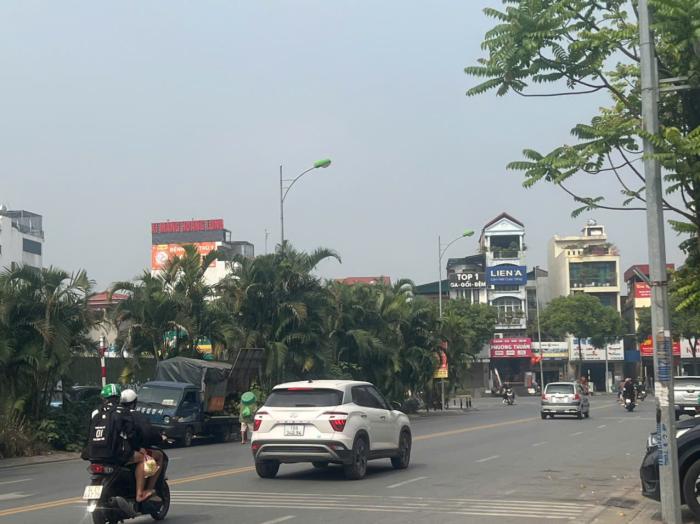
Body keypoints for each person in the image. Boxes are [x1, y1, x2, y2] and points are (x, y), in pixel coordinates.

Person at [120, 389, 165, 503]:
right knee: (156, 456)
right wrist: (159, 438)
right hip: (128, 452)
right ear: (135, 402)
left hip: (112, 452)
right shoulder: (136, 415)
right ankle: (146, 490)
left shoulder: (115, 414)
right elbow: (147, 432)